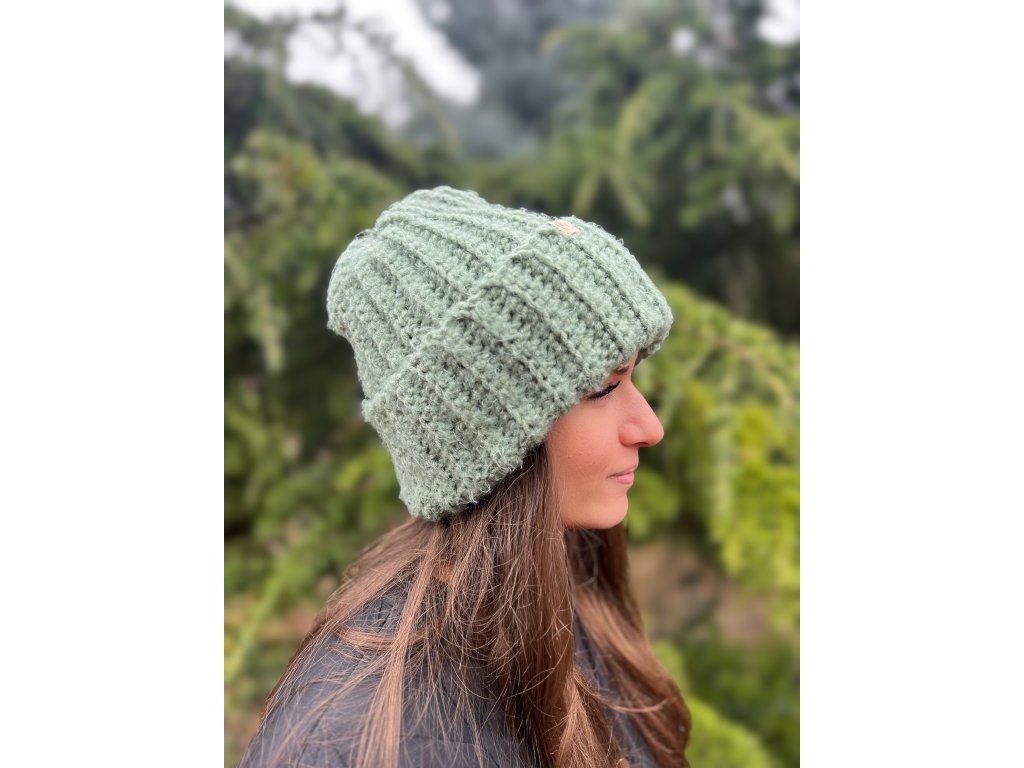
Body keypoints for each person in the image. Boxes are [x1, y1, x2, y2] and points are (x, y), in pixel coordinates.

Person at [239, 187, 692, 767]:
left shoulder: (568, 593)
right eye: (604, 388)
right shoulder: (355, 740)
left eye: (632, 378)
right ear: (480, 429)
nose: (650, 427)